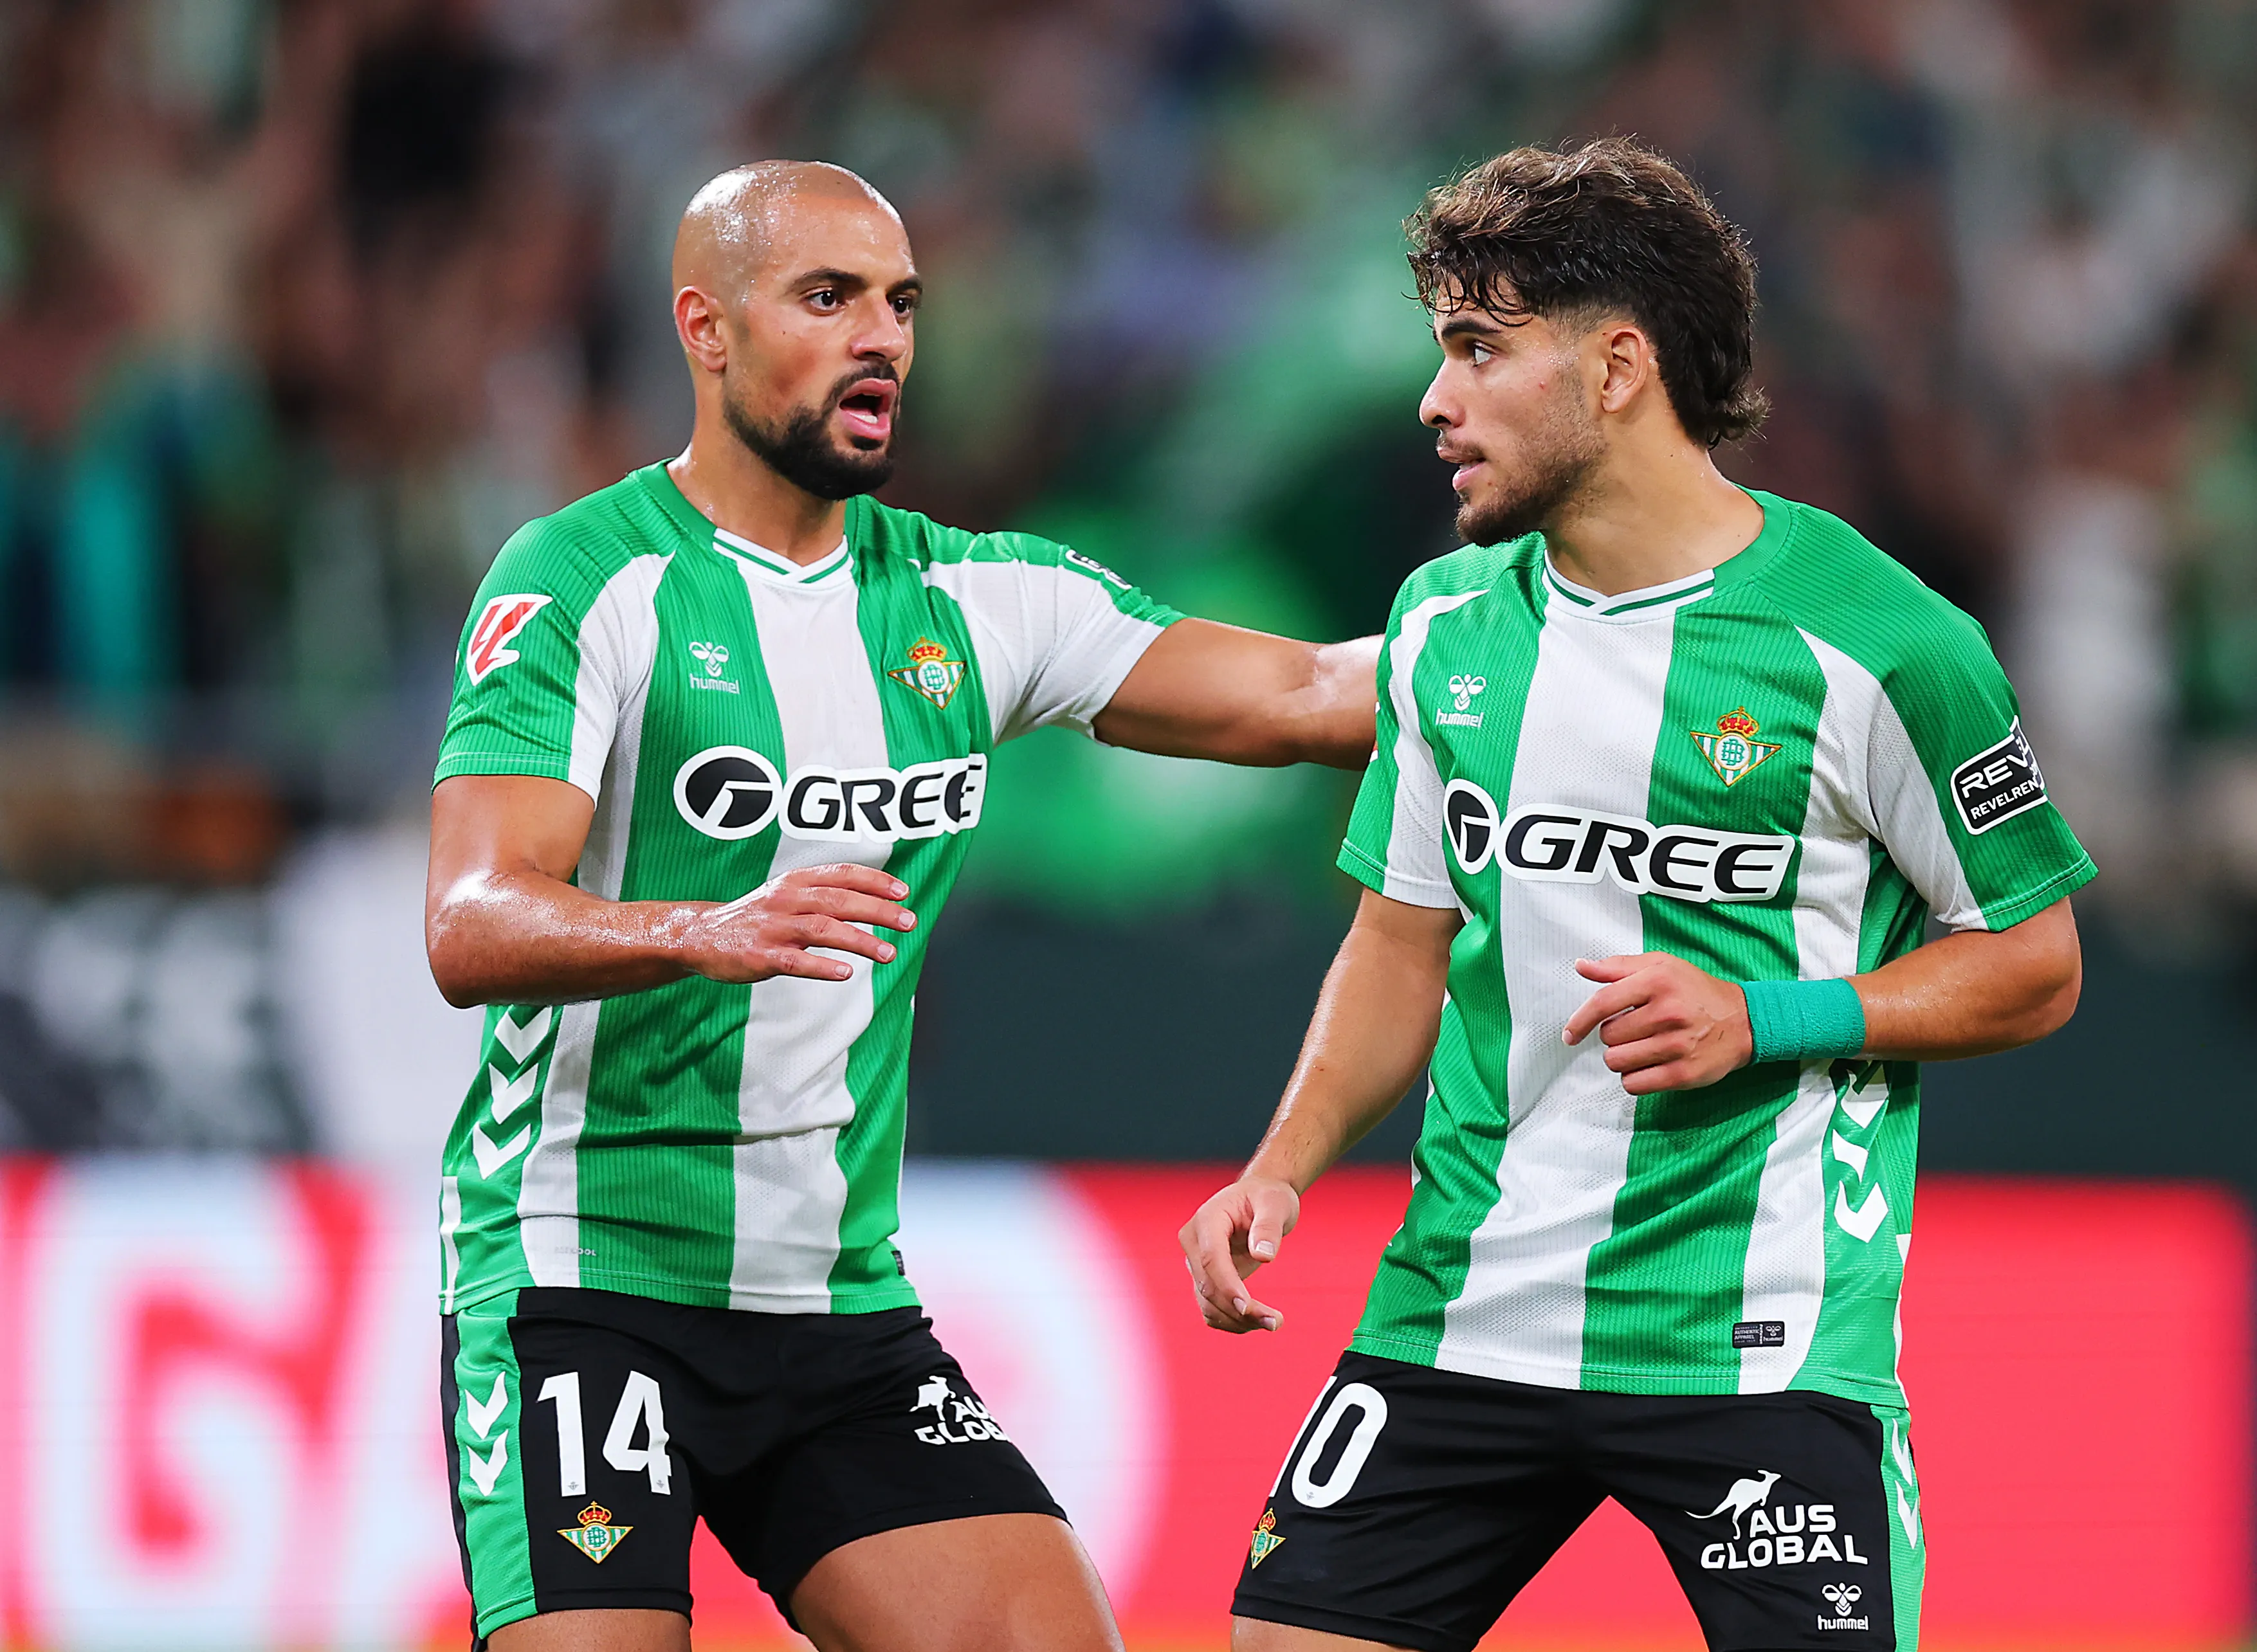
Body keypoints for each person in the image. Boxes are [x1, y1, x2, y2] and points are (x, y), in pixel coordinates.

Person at [425, 160, 1376, 1652]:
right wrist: (701, 928)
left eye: (900, 303)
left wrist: (1576, 638)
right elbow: (471, 920)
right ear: (707, 328)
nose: (883, 337)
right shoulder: (586, 583)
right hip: (583, 1281)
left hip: (834, 1304)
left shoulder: (971, 602)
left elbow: (1306, 691)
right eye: (829, 297)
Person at [1180, 137, 2090, 1652]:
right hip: (1458, 1313)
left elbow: (2035, 963)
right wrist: (1282, 1163)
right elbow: (1401, 944)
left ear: (1614, 369)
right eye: (1437, 353)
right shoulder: (1445, 621)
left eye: (1477, 350)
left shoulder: (1882, 647)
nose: (1433, 400)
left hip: (1761, 1344)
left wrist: (1765, 1014)